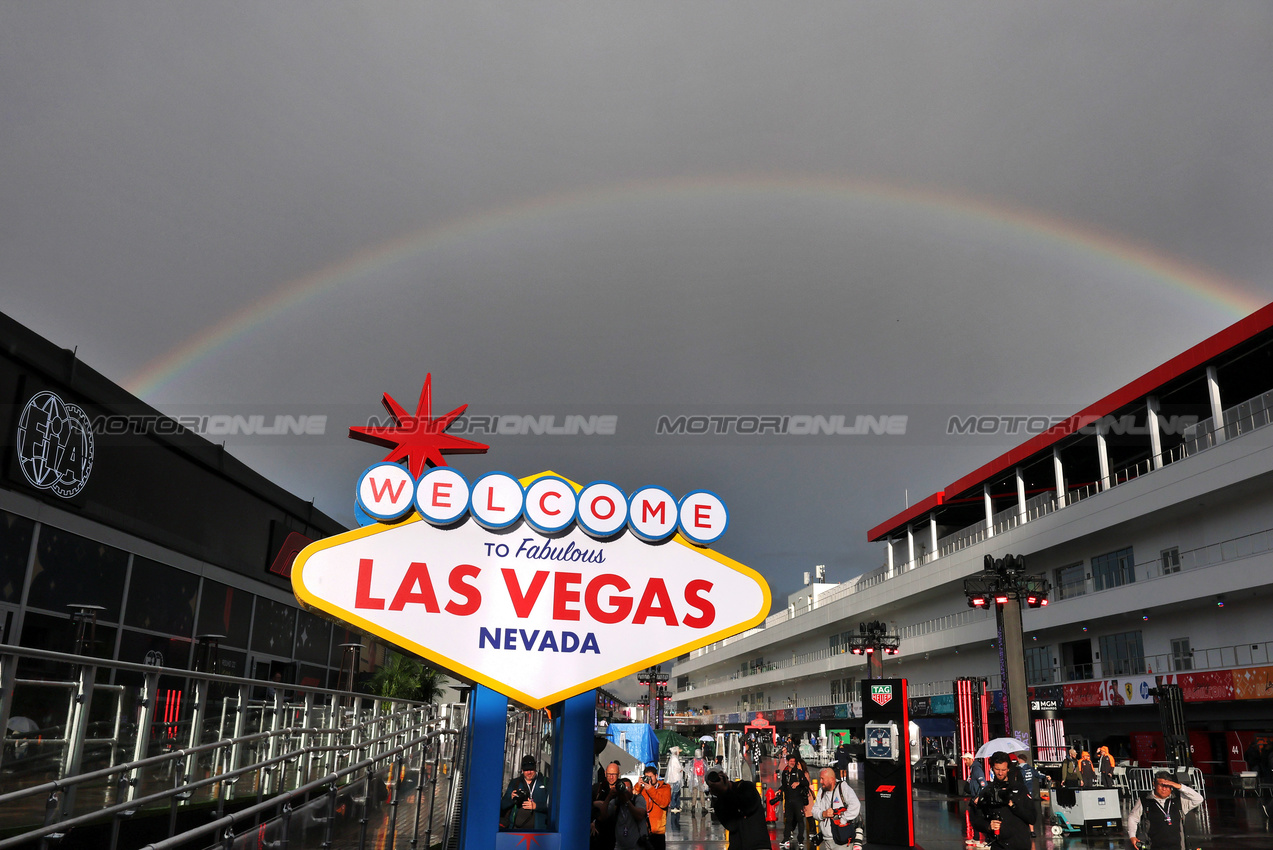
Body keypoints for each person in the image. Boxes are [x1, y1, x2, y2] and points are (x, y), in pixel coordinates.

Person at [968, 752, 1037, 850]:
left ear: (1008, 769)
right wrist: (988, 826)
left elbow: (1032, 818)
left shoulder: (1020, 790)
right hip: (999, 845)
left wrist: (1013, 805)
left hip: (1020, 844)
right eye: (997, 769)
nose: (1000, 773)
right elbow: (976, 820)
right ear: (992, 768)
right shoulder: (988, 791)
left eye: (1003, 770)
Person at [1127, 772, 1203, 850]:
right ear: (1154, 784)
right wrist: (1132, 836)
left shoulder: (1178, 800)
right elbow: (1133, 818)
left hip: (1177, 846)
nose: (1164, 789)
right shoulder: (1145, 800)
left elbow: (1199, 799)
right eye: (1161, 785)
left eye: (1167, 786)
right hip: (1154, 846)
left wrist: (1180, 786)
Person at [705, 768, 771, 850]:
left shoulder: (746, 786)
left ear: (724, 776)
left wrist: (726, 791)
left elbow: (748, 807)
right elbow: (732, 826)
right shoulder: (719, 802)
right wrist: (721, 795)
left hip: (759, 846)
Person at [811, 766, 862, 849]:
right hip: (827, 840)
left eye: (822, 779)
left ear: (831, 779)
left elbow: (855, 805)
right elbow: (814, 811)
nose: (820, 781)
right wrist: (823, 814)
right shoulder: (821, 791)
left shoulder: (842, 787)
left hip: (841, 840)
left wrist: (843, 820)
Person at [500, 754, 550, 831]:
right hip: (516, 830)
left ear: (535, 768)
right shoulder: (515, 782)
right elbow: (503, 805)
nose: (529, 772)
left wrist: (536, 806)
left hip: (539, 832)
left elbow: (552, 806)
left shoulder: (545, 782)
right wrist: (511, 798)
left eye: (531, 769)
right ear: (522, 770)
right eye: (526, 770)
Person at [778, 753, 811, 849]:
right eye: (791, 761)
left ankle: (800, 840)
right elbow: (784, 785)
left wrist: (798, 783)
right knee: (788, 820)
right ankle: (786, 838)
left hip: (798, 800)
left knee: (800, 820)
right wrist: (779, 790)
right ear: (787, 762)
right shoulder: (784, 773)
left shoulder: (798, 772)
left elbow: (806, 783)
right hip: (788, 801)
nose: (792, 763)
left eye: (794, 761)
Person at [636, 764, 671, 850]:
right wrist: (638, 785)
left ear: (656, 776)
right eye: (646, 777)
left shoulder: (665, 787)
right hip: (643, 830)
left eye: (651, 777)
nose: (649, 780)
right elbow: (631, 798)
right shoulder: (642, 789)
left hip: (657, 831)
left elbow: (664, 803)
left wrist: (650, 789)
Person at [610, 778, 648, 850]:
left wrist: (627, 801)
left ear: (632, 788)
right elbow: (603, 815)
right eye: (623, 788)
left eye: (627, 788)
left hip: (637, 846)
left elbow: (640, 815)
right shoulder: (616, 801)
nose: (625, 790)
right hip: (619, 846)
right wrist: (609, 796)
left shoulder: (638, 799)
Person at [591, 761, 621, 850]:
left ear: (618, 774)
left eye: (614, 774)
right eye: (609, 774)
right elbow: (587, 807)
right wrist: (591, 821)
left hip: (617, 833)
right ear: (605, 773)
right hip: (599, 834)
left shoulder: (622, 789)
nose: (611, 777)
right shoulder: (598, 788)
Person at [687, 748, 709, 813]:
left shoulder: (693, 761)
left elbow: (689, 770)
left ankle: (693, 807)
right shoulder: (703, 761)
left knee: (694, 793)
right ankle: (703, 807)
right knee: (701, 793)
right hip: (701, 778)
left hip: (694, 778)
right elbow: (706, 770)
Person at [666, 745, 684, 815]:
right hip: (676, 777)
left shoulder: (674, 758)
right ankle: (673, 806)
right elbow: (678, 768)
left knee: (677, 792)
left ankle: (677, 805)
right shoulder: (674, 759)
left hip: (675, 777)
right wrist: (681, 769)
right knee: (675, 792)